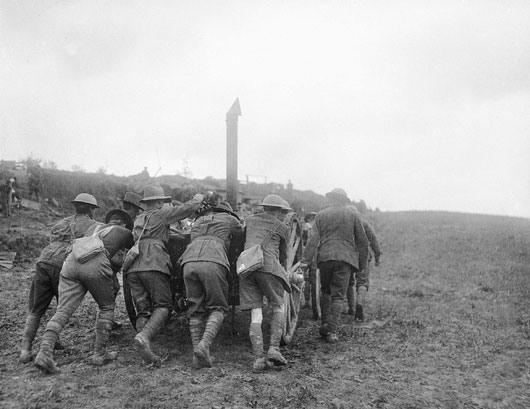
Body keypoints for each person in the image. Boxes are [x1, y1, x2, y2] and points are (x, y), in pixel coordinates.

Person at [34, 210, 135, 374]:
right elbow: (134, 249)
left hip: (72, 261)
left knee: (63, 310)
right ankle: (99, 354)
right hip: (94, 262)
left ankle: (44, 352)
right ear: (124, 223)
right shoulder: (125, 232)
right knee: (107, 307)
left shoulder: (95, 228)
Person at [124, 185, 204, 365]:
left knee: (144, 310)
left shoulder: (139, 218)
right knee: (164, 306)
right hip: (153, 262)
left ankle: (145, 348)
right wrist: (198, 198)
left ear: (145, 203)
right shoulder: (160, 214)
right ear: (160, 202)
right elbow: (185, 210)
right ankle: (144, 337)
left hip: (133, 266)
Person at [19, 193, 99, 363]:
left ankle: (25, 350)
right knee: (62, 306)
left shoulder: (61, 222)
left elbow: (52, 238)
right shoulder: (92, 225)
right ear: (91, 209)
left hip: (44, 260)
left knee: (36, 307)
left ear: (76, 206)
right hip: (62, 263)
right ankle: (47, 345)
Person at [180, 201, 244, 368]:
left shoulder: (199, 221)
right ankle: (204, 345)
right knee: (219, 308)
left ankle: (198, 357)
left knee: (195, 309)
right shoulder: (230, 219)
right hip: (213, 262)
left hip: (188, 262)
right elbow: (241, 236)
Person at [301, 188, 369, 343]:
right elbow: (362, 241)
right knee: (338, 295)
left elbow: (313, 241)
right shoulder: (353, 215)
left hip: (325, 258)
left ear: (330, 199)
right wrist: (362, 264)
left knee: (325, 291)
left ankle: (325, 323)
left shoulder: (321, 215)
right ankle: (332, 331)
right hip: (345, 259)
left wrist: (306, 261)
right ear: (344, 201)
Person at [239, 194, 292, 372]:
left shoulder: (250, 220)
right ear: (278, 211)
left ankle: (258, 359)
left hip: (246, 269)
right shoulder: (282, 227)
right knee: (278, 305)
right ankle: (274, 349)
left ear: (264, 207)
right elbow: (284, 256)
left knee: (256, 314)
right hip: (268, 268)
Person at [346, 218, 381, 321]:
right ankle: (359, 303)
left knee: (348, 281)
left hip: (348, 256)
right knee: (362, 282)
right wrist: (377, 257)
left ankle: (351, 308)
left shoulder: (344, 224)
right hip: (363, 256)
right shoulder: (364, 224)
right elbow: (374, 240)